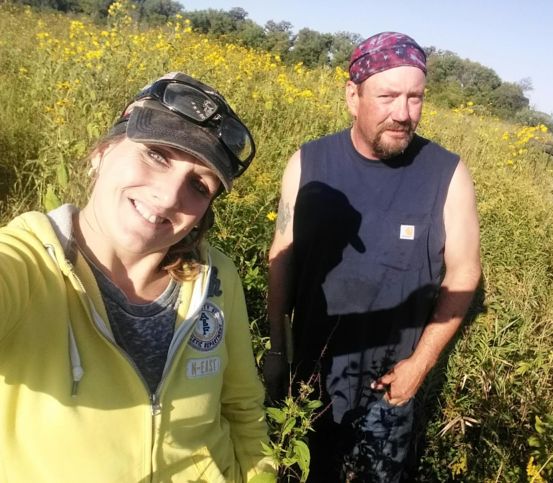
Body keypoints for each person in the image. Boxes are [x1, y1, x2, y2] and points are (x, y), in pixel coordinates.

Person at [0, 72, 275, 482]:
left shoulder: (217, 276)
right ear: (102, 152)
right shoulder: (29, 262)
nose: (168, 197)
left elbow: (242, 407)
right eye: (157, 155)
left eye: (199, 186)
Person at [265, 32, 481, 482]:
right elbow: (282, 257)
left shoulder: (447, 174)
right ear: (353, 96)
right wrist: (278, 351)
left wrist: (419, 365)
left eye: (415, 98)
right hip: (311, 376)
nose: (403, 113)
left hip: (392, 384)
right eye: (387, 96)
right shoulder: (308, 164)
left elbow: (464, 271)